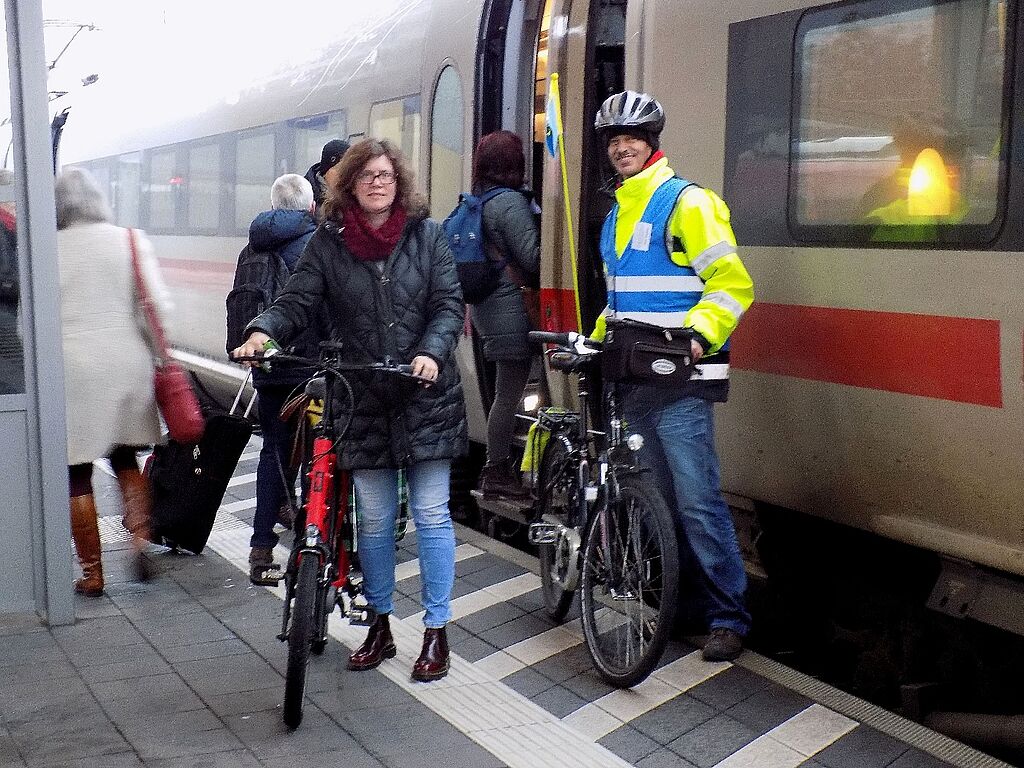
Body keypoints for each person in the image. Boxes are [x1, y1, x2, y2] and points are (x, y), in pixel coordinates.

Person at [233, 138, 466, 682]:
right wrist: (264, 331)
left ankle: (436, 632)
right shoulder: (328, 245)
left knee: (432, 515)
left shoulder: (428, 238)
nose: (378, 183)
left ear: (399, 181)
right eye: (367, 176)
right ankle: (380, 625)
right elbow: (297, 300)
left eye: (386, 175)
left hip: (424, 393)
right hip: (361, 397)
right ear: (348, 186)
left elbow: (448, 304)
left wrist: (431, 352)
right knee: (377, 521)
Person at [592, 91, 755, 661]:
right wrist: (592, 343)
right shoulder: (617, 210)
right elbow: (622, 300)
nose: (622, 148)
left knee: (696, 502)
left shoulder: (688, 203)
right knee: (656, 500)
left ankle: (728, 616)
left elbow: (732, 284)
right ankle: (681, 608)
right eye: (613, 141)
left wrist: (697, 336)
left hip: (682, 381)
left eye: (631, 138)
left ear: (652, 142)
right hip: (633, 382)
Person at [55, 168, 170, 594]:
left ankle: (92, 573)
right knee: (125, 457)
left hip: (72, 371)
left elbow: (29, 327)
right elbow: (156, 305)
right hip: (128, 366)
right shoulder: (130, 240)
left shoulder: (48, 249)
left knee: (77, 471)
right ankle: (139, 541)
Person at [244, 173, 326, 585]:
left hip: (268, 365)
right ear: (311, 207)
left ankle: (261, 548)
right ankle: (310, 547)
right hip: (309, 369)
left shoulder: (252, 246)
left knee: (273, 448)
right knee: (317, 454)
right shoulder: (318, 244)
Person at [469, 131, 540, 498]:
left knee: (506, 392)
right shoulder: (509, 203)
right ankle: (496, 472)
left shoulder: (481, 199)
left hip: (489, 311)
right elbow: (532, 257)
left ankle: (500, 469)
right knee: (509, 394)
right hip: (511, 310)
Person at [304, 138, 350, 209]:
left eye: (349, 170)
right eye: (340, 170)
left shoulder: (356, 196)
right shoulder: (304, 196)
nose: (345, 175)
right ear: (326, 172)